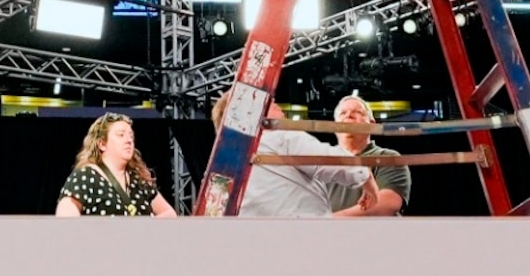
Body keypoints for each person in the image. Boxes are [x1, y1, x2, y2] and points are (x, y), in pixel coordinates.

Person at [214, 95, 401, 218]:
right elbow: (335, 163)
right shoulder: (281, 137)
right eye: (270, 102)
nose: (277, 104)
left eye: (356, 112)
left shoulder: (224, 167)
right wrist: (366, 176)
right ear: (252, 112)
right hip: (305, 239)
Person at [54, 113, 177, 217]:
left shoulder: (139, 180)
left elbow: (170, 214)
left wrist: (144, 229)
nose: (129, 140)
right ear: (102, 144)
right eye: (121, 135)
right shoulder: (86, 176)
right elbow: (66, 215)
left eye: (131, 136)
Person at [326, 92, 411, 216]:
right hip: (324, 233)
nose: (349, 115)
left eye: (357, 112)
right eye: (342, 113)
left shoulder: (387, 157)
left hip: (372, 234)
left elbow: (387, 203)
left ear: (371, 124)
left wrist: (328, 221)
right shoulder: (320, 160)